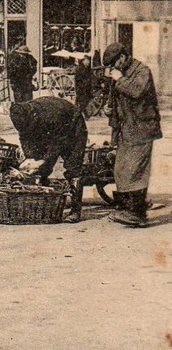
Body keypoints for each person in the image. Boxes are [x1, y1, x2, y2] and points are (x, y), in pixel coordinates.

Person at [102, 41, 162, 228]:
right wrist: (109, 108)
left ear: (123, 57)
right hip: (127, 129)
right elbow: (116, 98)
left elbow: (136, 92)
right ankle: (128, 207)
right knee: (122, 168)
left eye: (114, 63)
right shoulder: (121, 73)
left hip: (142, 128)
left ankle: (137, 214)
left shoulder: (142, 71)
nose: (112, 68)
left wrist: (119, 79)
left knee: (135, 170)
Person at [10, 96, 88, 222]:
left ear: (33, 115)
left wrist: (44, 160)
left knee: (74, 169)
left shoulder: (52, 114)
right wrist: (30, 157)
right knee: (41, 168)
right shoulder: (22, 114)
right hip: (49, 131)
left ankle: (75, 211)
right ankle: (44, 203)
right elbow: (24, 137)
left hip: (73, 127)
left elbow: (59, 141)